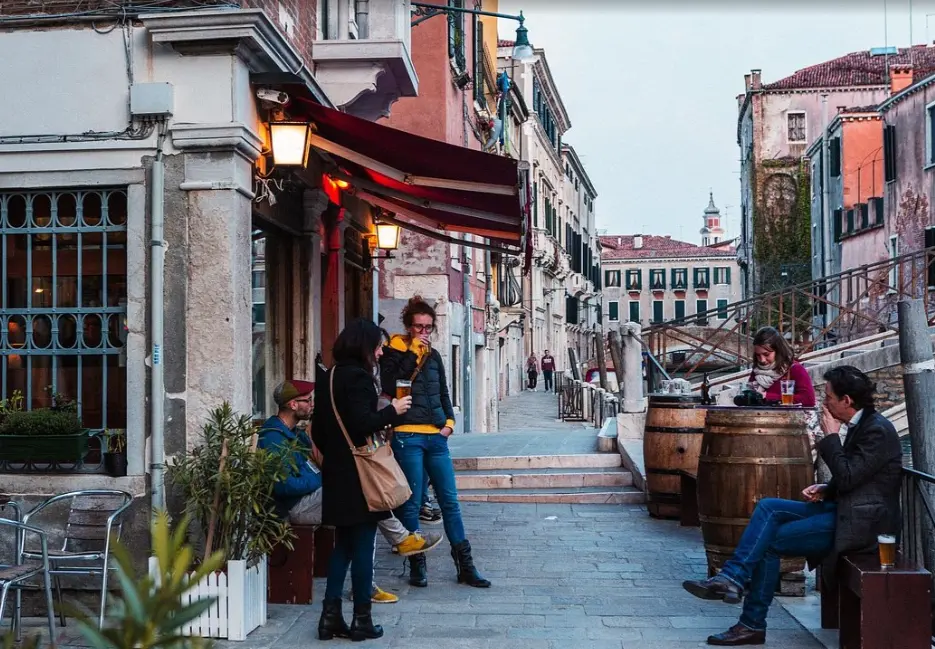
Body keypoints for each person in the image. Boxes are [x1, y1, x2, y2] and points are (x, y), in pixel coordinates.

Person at [682, 366, 901, 646]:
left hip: (862, 526)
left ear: (847, 401)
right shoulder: (864, 424)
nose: (824, 402)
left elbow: (848, 475)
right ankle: (732, 577)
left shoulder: (877, 430)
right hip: (844, 509)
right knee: (768, 507)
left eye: (830, 396)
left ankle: (751, 623)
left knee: (770, 542)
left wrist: (830, 437)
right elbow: (858, 475)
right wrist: (827, 488)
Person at [259, 379, 441, 607]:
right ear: (293, 405)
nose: (312, 404)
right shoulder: (274, 437)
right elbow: (284, 486)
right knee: (365, 494)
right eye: (307, 401)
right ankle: (398, 544)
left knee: (365, 507)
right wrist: (321, 478)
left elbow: (319, 461)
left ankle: (368, 581)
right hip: (295, 507)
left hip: (312, 497)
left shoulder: (294, 432)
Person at [310, 318, 414, 642]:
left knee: (343, 546)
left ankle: (330, 617)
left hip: (337, 473)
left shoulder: (329, 377)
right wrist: (392, 411)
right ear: (365, 346)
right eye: (378, 347)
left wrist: (337, 456)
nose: (381, 353)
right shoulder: (357, 378)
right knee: (363, 545)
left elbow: (318, 432)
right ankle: (362, 620)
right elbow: (362, 424)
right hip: (360, 476)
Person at [380, 296, 490, 589]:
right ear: (408, 326)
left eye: (428, 328)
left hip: (437, 436)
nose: (424, 333)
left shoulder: (435, 355)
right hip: (408, 435)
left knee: (450, 501)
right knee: (412, 502)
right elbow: (390, 385)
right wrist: (413, 352)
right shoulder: (394, 350)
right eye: (419, 327)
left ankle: (465, 566)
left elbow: (443, 389)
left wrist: (449, 422)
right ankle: (417, 563)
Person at [747, 326, 815, 406]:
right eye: (758, 355)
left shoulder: (795, 369)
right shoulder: (757, 370)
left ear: (778, 350)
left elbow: (808, 399)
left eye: (766, 354)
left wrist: (768, 396)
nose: (762, 360)